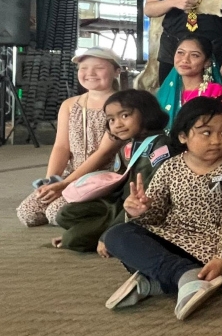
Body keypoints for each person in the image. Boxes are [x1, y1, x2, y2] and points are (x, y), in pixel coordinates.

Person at [100, 98, 222, 320]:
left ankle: (155, 282)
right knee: (117, 235)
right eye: (206, 133)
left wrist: (221, 258)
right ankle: (184, 275)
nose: (217, 140)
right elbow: (156, 215)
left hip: (217, 240)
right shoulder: (169, 167)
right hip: (175, 236)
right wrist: (140, 210)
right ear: (183, 136)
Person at [54, 90, 172, 252]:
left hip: (138, 210)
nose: (117, 124)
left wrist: (107, 235)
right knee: (65, 214)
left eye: (125, 116)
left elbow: (146, 197)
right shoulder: (131, 144)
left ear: (146, 114)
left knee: (72, 239)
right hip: (119, 204)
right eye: (111, 119)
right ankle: (98, 231)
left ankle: (113, 235)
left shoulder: (160, 146)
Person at [17, 48, 123, 227]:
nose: (90, 73)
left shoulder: (122, 105)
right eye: (83, 68)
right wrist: (52, 182)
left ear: (117, 71)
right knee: (28, 214)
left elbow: (103, 154)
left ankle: (107, 210)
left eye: (98, 68)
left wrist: (65, 184)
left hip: (101, 176)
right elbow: (61, 147)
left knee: (55, 214)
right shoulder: (70, 104)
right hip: (70, 173)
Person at [155, 36, 222, 127]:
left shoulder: (215, 92)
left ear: (207, 62)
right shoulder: (165, 91)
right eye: (180, 53)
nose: (185, 60)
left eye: (195, 55)